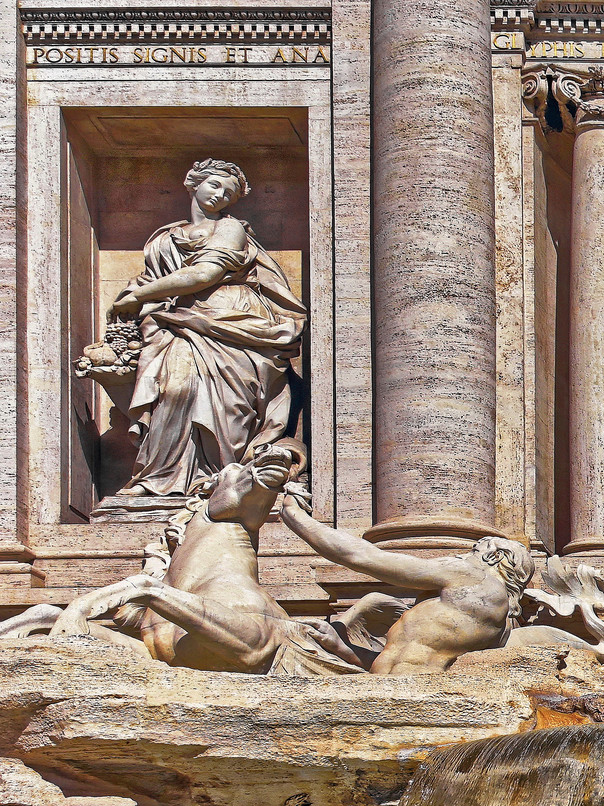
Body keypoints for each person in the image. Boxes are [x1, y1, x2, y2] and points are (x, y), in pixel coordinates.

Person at [50, 441, 361, 674]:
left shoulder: (241, 595)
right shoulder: (178, 547)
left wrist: (289, 461)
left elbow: (249, 650)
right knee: (42, 615)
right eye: (235, 473)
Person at [101, 159, 307, 497]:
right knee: (174, 390)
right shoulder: (165, 237)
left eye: (229, 193)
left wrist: (138, 296)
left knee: (228, 405)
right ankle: (160, 478)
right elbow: (156, 279)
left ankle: (224, 478)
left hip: (230, 321)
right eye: (214, 185)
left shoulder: (230, 229)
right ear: (193, 182)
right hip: (179, 323)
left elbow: (203, 275)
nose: (220, 195)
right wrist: (135, 296)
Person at [276, 498, 534, 673]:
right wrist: (341, 647)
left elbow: (362, 557)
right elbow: (409, 660)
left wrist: (294, 515)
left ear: (493, 557)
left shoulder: (473, 576)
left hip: (405, 699)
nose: (461, 557)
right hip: (397, 692)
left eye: (472, 551)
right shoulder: (497, 624)